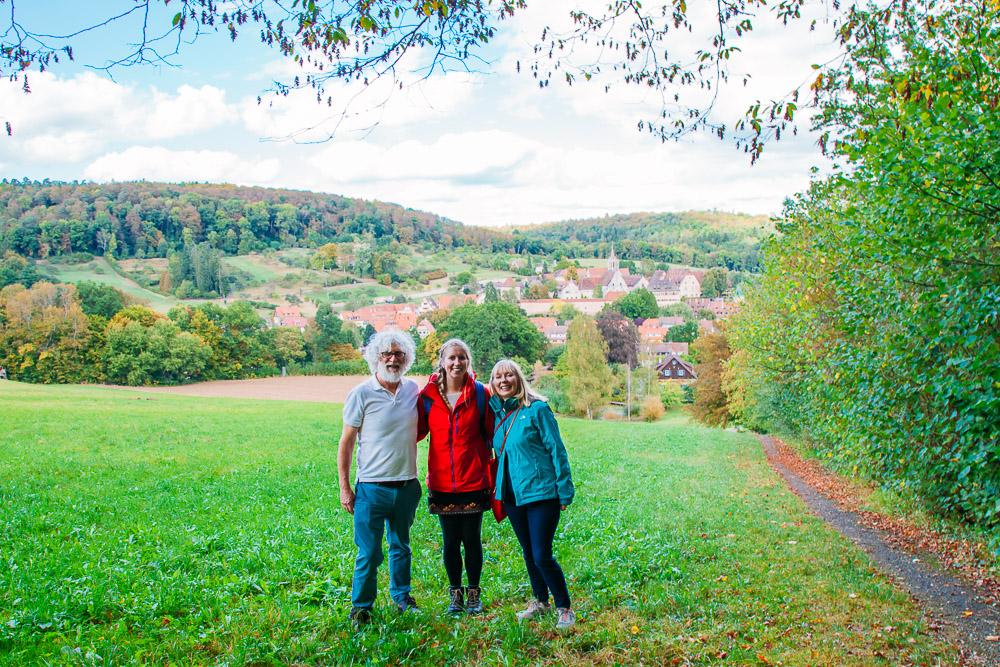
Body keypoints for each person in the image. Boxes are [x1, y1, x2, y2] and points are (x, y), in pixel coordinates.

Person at [338, 330, 422, 627]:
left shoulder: (413, 390)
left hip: (407, 485)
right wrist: (345, 487)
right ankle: (361, 607)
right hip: (371, 488)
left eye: (399, 354)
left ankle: (402, 598)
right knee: (370, 551)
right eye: (387, 353)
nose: (393, 358)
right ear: (376, 356)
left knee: (401, 546)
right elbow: (346, 443)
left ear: (406, 358)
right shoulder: (361, 393)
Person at [488, 358, 576, 630]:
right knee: (528, 552)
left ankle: (564, 607)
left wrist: (564, 490)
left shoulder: (537, 409)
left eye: (509, 375)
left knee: (541, 554)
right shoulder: (499, 416)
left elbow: (556, 450)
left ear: (518, 379)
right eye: (498, 377)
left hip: (541, 493)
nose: (503, 381)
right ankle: (540, 601)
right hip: (513, 495)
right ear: (493, 383)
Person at [418, 338, 494, 614]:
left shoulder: (481, 393)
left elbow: (493, 432)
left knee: (472, 539)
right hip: (441, 482)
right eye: (451, 358)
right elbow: (412, 432)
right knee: (450, 541)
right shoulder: (427, 397)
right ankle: (455, 595)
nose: (457, 362)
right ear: (442, 361)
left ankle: (474, 593)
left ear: (468, 361)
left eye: (462, 357)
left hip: (473, 479)